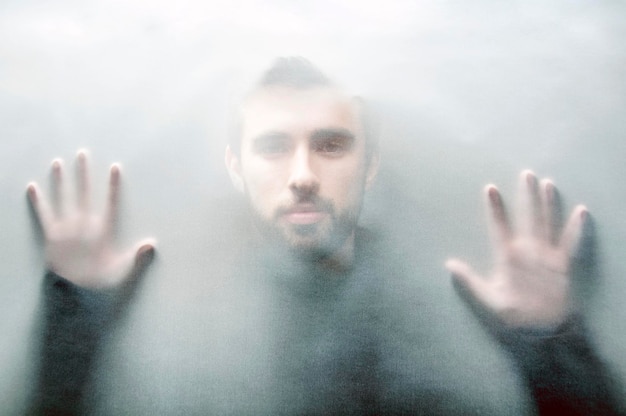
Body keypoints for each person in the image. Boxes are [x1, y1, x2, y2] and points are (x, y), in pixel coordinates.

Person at [25, 57, 621, 415]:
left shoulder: (416, 305)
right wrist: (75, 319)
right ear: (235, 166)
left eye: (332, 145)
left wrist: (551, 344)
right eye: (273, 146)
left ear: (372, 164)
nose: (304, 175)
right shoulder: (196, 300)